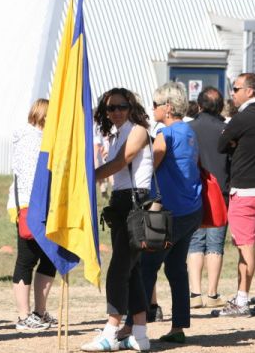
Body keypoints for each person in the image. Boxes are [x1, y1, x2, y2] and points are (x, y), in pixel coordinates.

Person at [125, 82, 202, 344]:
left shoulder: (165, 135)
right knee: (176, 269)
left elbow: (149, 167)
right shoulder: (189, 132)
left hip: (170, 213)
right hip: (192, 209)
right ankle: (178, 326)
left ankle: (133, 327)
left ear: (168, 108)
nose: (153, 108)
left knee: (147, 267)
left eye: (156, 105)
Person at [81, 87, 152, 352]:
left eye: (121, 107)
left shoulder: (138, 131)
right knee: (131, 271)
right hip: (122, 202)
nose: (116, 112)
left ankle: (111, 332)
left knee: (118, 270)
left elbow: (122, 162)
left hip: (136, 202)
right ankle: (140, 335)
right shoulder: (115, 133)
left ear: (131, 107)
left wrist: (90, 177)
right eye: (111, 108)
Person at [213, 73, 255, 317]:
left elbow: (222, 145)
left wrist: (235, 142)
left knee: (245, 248)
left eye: (236, 88)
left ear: (249, 91)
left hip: (245, 190)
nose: (233, 93)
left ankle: (242, 300)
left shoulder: (243, 117)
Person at [7, 98, 57, 331]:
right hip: (30, 205)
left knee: (49, 258)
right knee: (27, 259)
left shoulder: (42, 139)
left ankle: (40, 311)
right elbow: (30, 177)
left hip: (42, 205)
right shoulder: (30, 140)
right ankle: (23, 315)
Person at [187, 87, 229, 309]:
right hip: (220, 192)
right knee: (215, 243)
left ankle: (195, 294)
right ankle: (212, 294)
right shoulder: (226, 130)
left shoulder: (188, 129)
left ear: (200, 105)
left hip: (193, 191)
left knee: (194, 241)